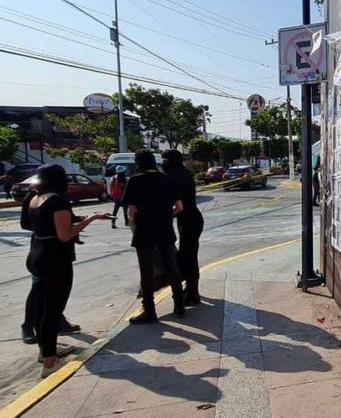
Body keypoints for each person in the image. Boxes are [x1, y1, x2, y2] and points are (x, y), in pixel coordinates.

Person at [21, 165, 110, 377]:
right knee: (52, 310)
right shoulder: (58, 201)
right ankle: (50, 363)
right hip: (55, 259)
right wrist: (91, 218)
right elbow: (65, 234)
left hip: (36, 255)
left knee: (43, 308)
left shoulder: (34, 198)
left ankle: (46, 351)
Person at [123, 149, 185, 324]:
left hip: (144, 231)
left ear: (138, 162)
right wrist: (166, 216)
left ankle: (149, 311)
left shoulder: (135, 180)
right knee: (171, 267)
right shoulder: (167, 179)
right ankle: (179, 306)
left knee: (146, 271)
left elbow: (130, 213)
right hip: (165, 229)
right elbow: (179, 207)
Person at [162, 150, 205, 306]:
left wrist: (166, 217)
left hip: (190, 221)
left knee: (189, 257)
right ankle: (191, 288)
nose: (164, 164)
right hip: (188, 220)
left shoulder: (179, 178)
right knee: (188, 256)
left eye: (166, 160)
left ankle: (193, 293)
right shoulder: (181, 174)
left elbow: (180, 206)